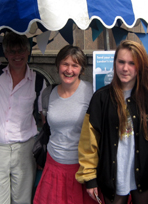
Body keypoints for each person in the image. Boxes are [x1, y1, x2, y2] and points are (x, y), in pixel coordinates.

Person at [76, 40, 148, 204]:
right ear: (114, 63)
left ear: (140, 66)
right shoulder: (101, 98)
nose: (125, 68)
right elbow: (89, 142)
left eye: (132, 63)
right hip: (113, 179)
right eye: (121, 62)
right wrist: (90, 178)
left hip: (146, 178)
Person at [0, 32, 45, 203]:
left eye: (21, 50)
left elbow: (45, 120)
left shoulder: (38, 81)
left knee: (22, 201)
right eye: (11, 51)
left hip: (24, 151)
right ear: (5, 53)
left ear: (28, 52)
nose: (17, 55)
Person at [33, 45, 95, 204]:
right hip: (54, 167)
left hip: (82, 168)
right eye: (65, 64)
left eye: (75, 65)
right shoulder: (47, 93)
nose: (69, 70)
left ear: (82, 69)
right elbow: (48, 128)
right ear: (58, 65)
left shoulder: (92, 92)